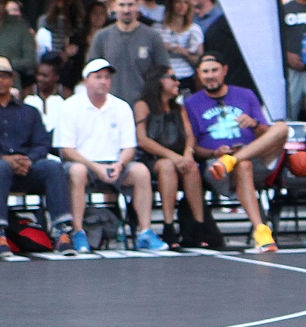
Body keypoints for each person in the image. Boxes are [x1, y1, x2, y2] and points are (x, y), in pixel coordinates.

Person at [54, 58, 166, 253]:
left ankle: (145, 231)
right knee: (77, 171)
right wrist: (96, 167)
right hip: (83, 163)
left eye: (107, 77)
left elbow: (129, 146)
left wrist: (120, 164)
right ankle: (78, 231)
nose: (104, 81)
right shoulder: (70, 106)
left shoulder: (121, 106)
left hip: (115, 164)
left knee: (140, 171)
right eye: (98, 77)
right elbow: (66, 149)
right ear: (86, 80)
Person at [184, 52, 288, 253]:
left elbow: (267, 135)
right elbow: (194, 147)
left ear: (224, 71)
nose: (210, 75)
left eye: (214, 70)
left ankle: (232, 160)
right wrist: (215, 153)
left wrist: (255, 124)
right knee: (243, 165)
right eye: (205, 72)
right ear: (198, 74)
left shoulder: (246, 95)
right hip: (217, 167)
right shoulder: (191, 103)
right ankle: (261, 230)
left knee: (282, 128)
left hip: (254, 156)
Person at [0, 56, 74, 258]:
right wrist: (6, 160)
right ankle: (0, 234)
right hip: (1, 169)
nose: (0, 80)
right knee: (1, 167)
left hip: (26, 168)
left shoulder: (29, 111)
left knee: (52, 166)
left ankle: (62, 231)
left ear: (12, 79)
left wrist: (28, 160)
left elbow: (42, 142)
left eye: (4, 76)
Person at [134, 65, 204, 248]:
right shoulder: (143, 105)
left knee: (192, 168)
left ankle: (199, 226)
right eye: (172, 78)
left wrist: (188, 153)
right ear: (159, 80)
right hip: (151, 159)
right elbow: (143, 140)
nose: (177, 82)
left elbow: (190, 135)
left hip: (179, 157)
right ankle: (168, 225)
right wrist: (173, 156)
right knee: (166, 165)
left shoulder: (179, 108)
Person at [86, 0, 169, 104]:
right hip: (109, 105)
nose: (126, 10)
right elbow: (92, 72)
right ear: (114, 7)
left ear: (138, 6)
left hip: (144, 107)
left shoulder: (153, 37)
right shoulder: (101, 37)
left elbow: (164, 70)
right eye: (122, 5)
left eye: (130, 5)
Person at [157, 0, 202, 95]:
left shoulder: (194, 29)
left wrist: (183, 51)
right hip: (164, 77)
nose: (182, 6)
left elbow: (200, 60)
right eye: (178, 2)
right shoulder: (158, 28)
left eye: (186, 3)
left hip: (186, 77)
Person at [0, 0, 34, 87]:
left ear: (5, 4)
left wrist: (6, 64)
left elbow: (30, 60)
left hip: (11, 87)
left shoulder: (20, 27)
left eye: (1, 2)